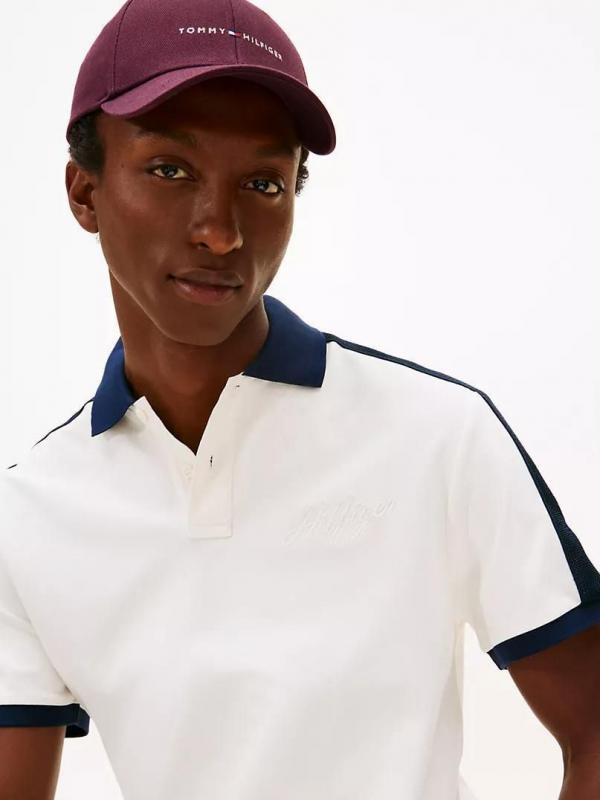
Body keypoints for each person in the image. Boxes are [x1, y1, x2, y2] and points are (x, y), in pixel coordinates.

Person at [1, 0, 600, 798]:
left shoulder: (437, 436)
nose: (220, 231)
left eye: (262, 183)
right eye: (170, 170)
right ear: (84, 193)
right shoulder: (29, 515)